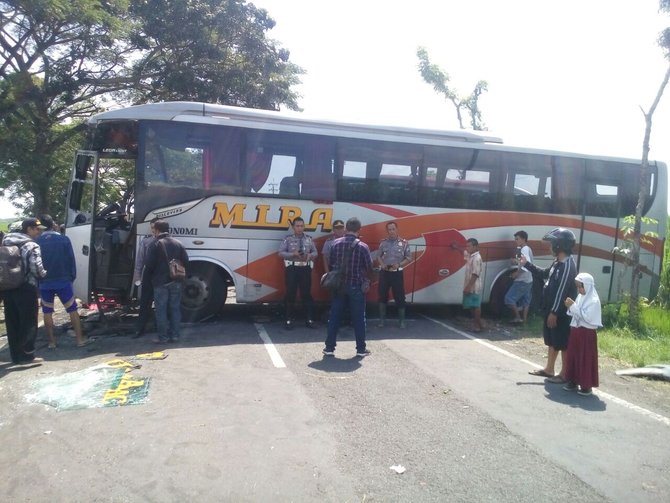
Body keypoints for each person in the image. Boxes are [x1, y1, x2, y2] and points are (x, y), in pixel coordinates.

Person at [521, 228, 578, 383]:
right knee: (552, 340)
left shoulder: (567, 266)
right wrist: (528, 265)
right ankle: (549, 369)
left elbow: (562, 291)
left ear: (560, 245)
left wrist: (554, 312)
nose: (550, 247)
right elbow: (545, 274)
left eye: (552, 244)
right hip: (552, 309)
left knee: (562, 342)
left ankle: (564, 374)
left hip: (561, 312)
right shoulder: (557, 262)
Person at [36, 214, 91, 349]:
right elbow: (70, 260)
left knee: (47, 312)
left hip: (45, 282)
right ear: (53, 224)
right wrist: (71, 277)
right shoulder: (64, 239)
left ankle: (52, 342)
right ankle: (79, 340)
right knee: (72, 309)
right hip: (63, 280)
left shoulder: (37, 242)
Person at [323, 217, 373, 357]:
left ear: (346, 228)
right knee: (358, 318)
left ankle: (329, 348)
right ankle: (361, 349)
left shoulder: (334, 244)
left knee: (334, 316)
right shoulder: (363, 246)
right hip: (356, 286)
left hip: (338, 286)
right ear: (359, 229)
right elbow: (369, 266)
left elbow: (331, 263)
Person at [2, 218, 47, 365]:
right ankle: (28, 356)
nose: (39, 232)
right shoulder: (31, 245)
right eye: (37, 229)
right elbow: (36, 267)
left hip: (7, 287)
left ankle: (16, 357)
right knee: (28, 322)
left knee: (12, 322)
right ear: (29, 229)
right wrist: (43, 275)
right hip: (25, 287)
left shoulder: (5, 241)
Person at [143, 220, 189, 344]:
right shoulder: (178, 243)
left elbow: (149, 264)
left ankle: (162, 337)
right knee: (175, 308)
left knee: (161, 310)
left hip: (160, 282)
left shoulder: (155, 244)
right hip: (176, 280)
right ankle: (175, 336)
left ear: (157, 229)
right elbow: (186, 260)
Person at [563, 272, 602, 396]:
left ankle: (586, 385)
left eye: (581, 286)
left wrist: (573, 307)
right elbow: (576, 313)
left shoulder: (594, 301)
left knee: (585, 358)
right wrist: (570, 307)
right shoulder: (580, 297)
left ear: (588, 286)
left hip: (587, 333)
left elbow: (588, 318)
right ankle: (573, 380)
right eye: (578, 287)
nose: (579, 289)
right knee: (574, 356)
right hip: (576, 330)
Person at [278, 217, 318, 329]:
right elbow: (280, 253)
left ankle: (309, 319)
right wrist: (293, 254)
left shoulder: (309, 239)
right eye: (297, 226)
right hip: (292, 269)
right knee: (291, 293)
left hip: (305, 269)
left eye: (301, 226)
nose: (300, 228)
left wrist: (310, 255)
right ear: (293, 227)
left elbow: (315, 252)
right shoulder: (288, 239)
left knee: (306, 294)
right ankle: (288, 319)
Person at [375, 221, 412, 328]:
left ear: (397, 229)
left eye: (393, 229)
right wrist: (382, 265)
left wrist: (399, 264)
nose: (391, 231)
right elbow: (378, 256)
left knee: (400, 297)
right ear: (387, 231)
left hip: (397, 273)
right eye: (389, 229)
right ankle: (382, 321)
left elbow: (409, 258)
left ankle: (401, 321)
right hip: (385, 273)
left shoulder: (404, 243)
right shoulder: (383, 243)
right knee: (382, 296)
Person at [132, 217, 159, 338]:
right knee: (145, 303)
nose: (153, 230)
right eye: (152, 227)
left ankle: (160, 329)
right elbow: (140, 260)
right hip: (149, 275)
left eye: (155, 228)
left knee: (161, 303)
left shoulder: (166, 240)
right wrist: (137, 277)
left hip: (161, 275)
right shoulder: (146, 241)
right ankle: (140, 329)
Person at [504, 230, 534, 323]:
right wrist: (515, 261)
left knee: (509, 298)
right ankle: (524, 320)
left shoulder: (524, 249)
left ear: (523, 239)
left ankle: (517, 317)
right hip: (529, 279)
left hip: (522, 279)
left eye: (517, 239)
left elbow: (525, 264)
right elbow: (522, 261)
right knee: (526, 300)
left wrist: (516, 273)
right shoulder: (526, 248)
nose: (515, 241)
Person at [463, 238, 484, 332]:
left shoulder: (476, 258)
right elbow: (463, 253)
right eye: (467, 246)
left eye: (469, 246)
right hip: (470, 285)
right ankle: (478, 324)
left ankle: (478, 325)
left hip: (474, 287)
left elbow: (475, 274)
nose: (467, 248)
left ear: (475, 247)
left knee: (475, 306)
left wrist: (468, 287)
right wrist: (455, 247)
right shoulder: (470, 255)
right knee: (471, 305)